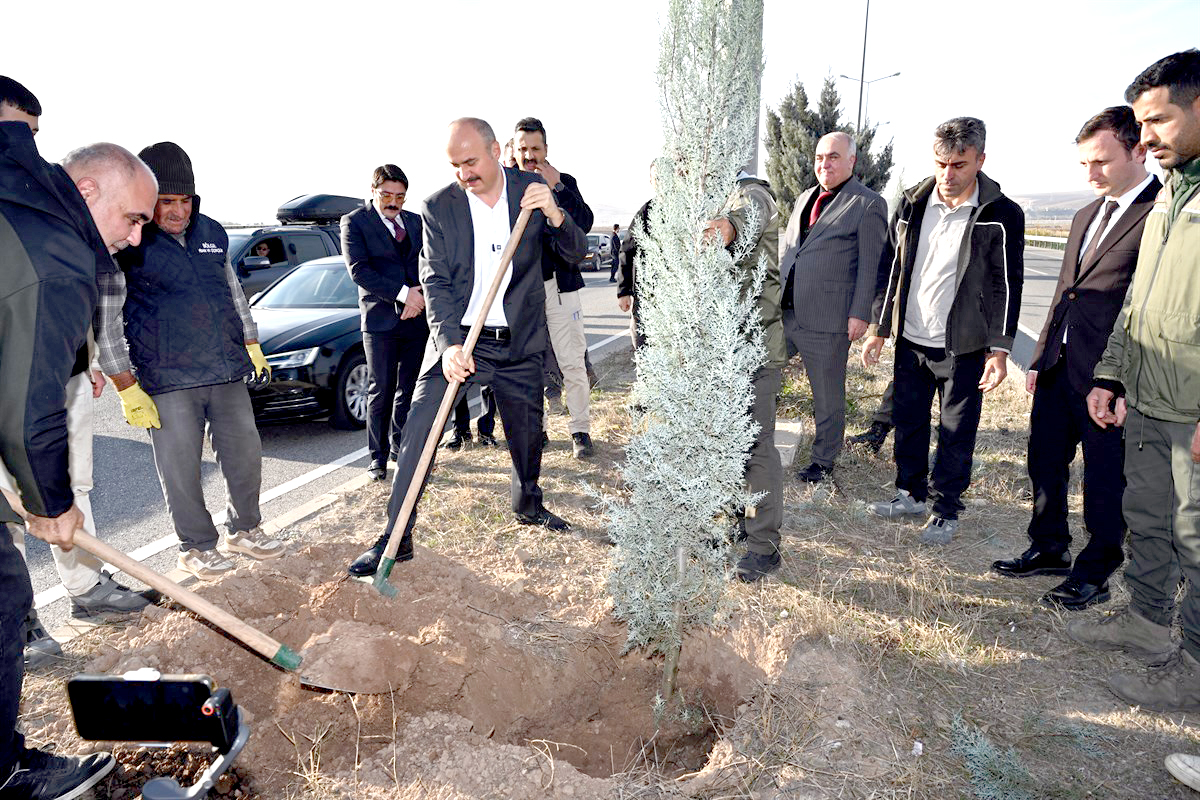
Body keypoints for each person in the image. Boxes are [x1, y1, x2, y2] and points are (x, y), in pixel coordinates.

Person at [347, 117, 586, 577]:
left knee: (527, 434)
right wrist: (451, 345)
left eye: (471, 162)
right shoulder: (440, 208)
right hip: (461, 342)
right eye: (456, 165)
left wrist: (555, 213)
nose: (465, 174)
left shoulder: (530, 190)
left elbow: (576, 253)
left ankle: (529, 504)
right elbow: (434, 282)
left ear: (496, 151)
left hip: (519, 342)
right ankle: (396, 535)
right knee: (419, 427)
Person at [0, 117, 157, 796]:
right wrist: (51, 504)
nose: (136, 237)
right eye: (132, 218)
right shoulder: (59, 254)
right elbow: (30, 404)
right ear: (87, 188)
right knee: (2, 594)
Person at [1069, 50, 1200, 712]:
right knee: (1146, 520)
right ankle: (1149, 632)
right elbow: (1138, 303)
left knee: (1197, 538)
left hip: (1193, 411)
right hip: (1146, 397)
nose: (1145, 139)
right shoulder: (1171, 199)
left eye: (1160, 121)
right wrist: (1111, 374)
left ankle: (1195, 672)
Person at [992, 106, 1158, 611]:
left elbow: (1147, 307)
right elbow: (1067, 292)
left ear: (1139, 150)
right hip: (1061, 366)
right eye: (1084, 163)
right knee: (1044, 460)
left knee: (1105, 478)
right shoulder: (1087, 215)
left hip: (1110, 377)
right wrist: (1040, 358)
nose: (1091, 174)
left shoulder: (1160, 215)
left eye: (1102, 162)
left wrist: (1123, 383)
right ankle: (1048, 546)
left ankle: (1096, 570)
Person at [97, 142, 285, 580]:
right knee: (181, 470)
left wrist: (251, 341)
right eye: (166, 202)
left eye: (185, 201)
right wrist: (125, 384)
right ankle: (197, 547)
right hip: (165, 378)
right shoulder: (128, 242)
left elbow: (232, 290)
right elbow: (105, 318)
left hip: (224, 368)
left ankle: (245, 529)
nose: (178, 212)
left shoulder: (212, 233)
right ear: (147, 201)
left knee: (245, 454)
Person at [863, 117, 1024, 545]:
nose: (947, 175)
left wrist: (1000, 349)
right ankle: (909, 494)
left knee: (956, 430)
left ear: (980, 160)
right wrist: (881, 327)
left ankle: (946, 508)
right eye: (940, 164)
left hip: (963, 346)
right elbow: (892, 266)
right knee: (909, 421)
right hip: (911, 339)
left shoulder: (1002, 214)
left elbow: (1007, 284)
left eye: (959, 165)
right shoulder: (913, 203)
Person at [779, 132, 888, 483]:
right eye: (819, 157)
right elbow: (791, 251)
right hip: (788, 311)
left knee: (827, 396)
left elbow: (872, 265)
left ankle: (823, 461)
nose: (824, 164)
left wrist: (861, 314)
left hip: (829, 319)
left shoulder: (868, 204)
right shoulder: (804, 198)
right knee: (760, 376)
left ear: (852, 161)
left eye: (834, 157)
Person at [705, 174, 785, 581]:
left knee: (756, 448)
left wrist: (724, 228)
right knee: (728, 445)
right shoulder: (715, 194)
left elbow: (747, 219)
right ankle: (739, 523)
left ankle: (763, 546)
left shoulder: (751, 192)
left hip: (755, 349)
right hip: (723, 350)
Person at [513, 117, 596, 458]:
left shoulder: (564, 183)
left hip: (561, 286)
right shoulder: (505, 186)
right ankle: (538, 431)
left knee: (572, 360)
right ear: (513, 150)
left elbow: (585, 223)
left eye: (536, 148)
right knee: (528, 363)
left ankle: (580, 431)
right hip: (523, 291)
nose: (530, 155)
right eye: (523, 149)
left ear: (546, 150)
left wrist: (558, 186)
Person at [341, 164, 428, 481]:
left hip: (416, 319)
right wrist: (404, 295)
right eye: (387, 195)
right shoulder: (354, 222)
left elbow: (428, 262)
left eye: (400, 197)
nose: (394, 202)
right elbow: (359, 271)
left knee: (409, 389)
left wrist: (417, 298)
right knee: (381, 389)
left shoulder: (416, 222)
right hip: (380, 321)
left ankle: (401, 448)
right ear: (373, 191)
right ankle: (376, 459)